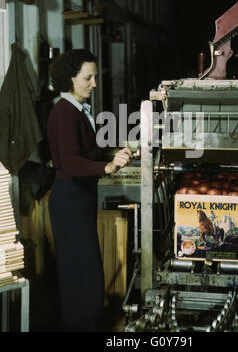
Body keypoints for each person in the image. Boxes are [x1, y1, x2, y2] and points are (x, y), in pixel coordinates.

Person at [47, 49, 132, 331]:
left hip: (79, 197)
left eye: (95, 77)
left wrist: (112, 155)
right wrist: (107, 168)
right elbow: (70, 162)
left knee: (83, 274)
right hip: (70, 198)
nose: (94, 83)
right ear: (70, 79)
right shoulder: (64, 112)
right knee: (83, 276)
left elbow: (86, 152)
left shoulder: (77, 110)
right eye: (88, 78)